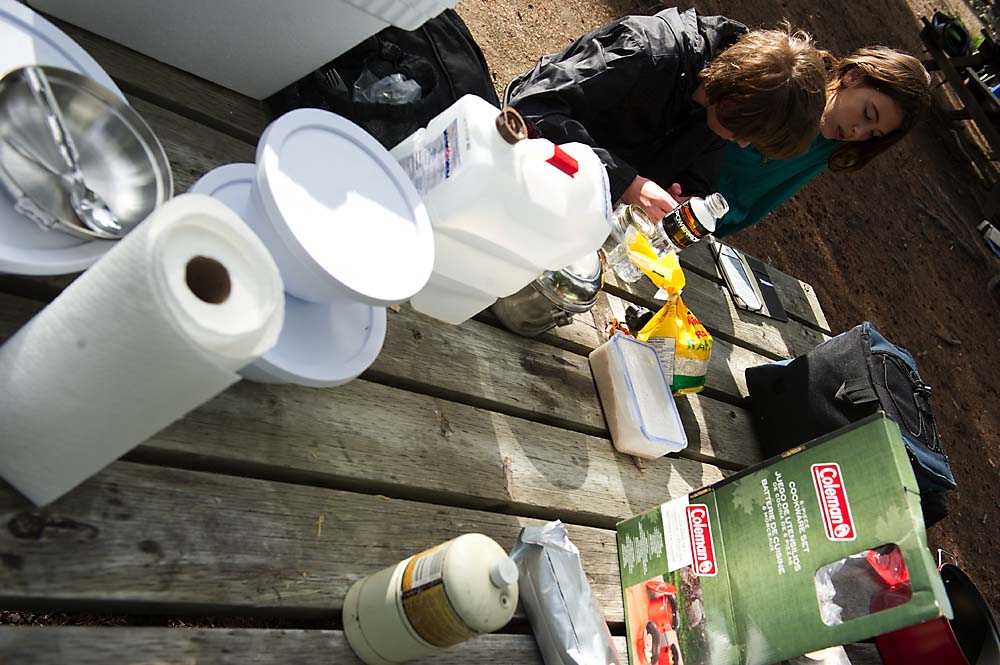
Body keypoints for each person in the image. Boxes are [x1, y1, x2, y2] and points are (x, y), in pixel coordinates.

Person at [505, 8, 830, 221]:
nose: (742, 144)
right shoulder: (647, 49)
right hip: (522, 171)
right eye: (745, 134)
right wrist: (627, 182)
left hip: (589, 209)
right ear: (737, 94)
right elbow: (532, 105)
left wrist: (687, 202)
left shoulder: (726, 108)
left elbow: (698, 179)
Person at [713, 46, 931, 237]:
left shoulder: (831, 147)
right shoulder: (785, 83)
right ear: (854, 76)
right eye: (868, 114)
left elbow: (763, 200)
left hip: (709, 223)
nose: (858, 132)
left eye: (873, 134)